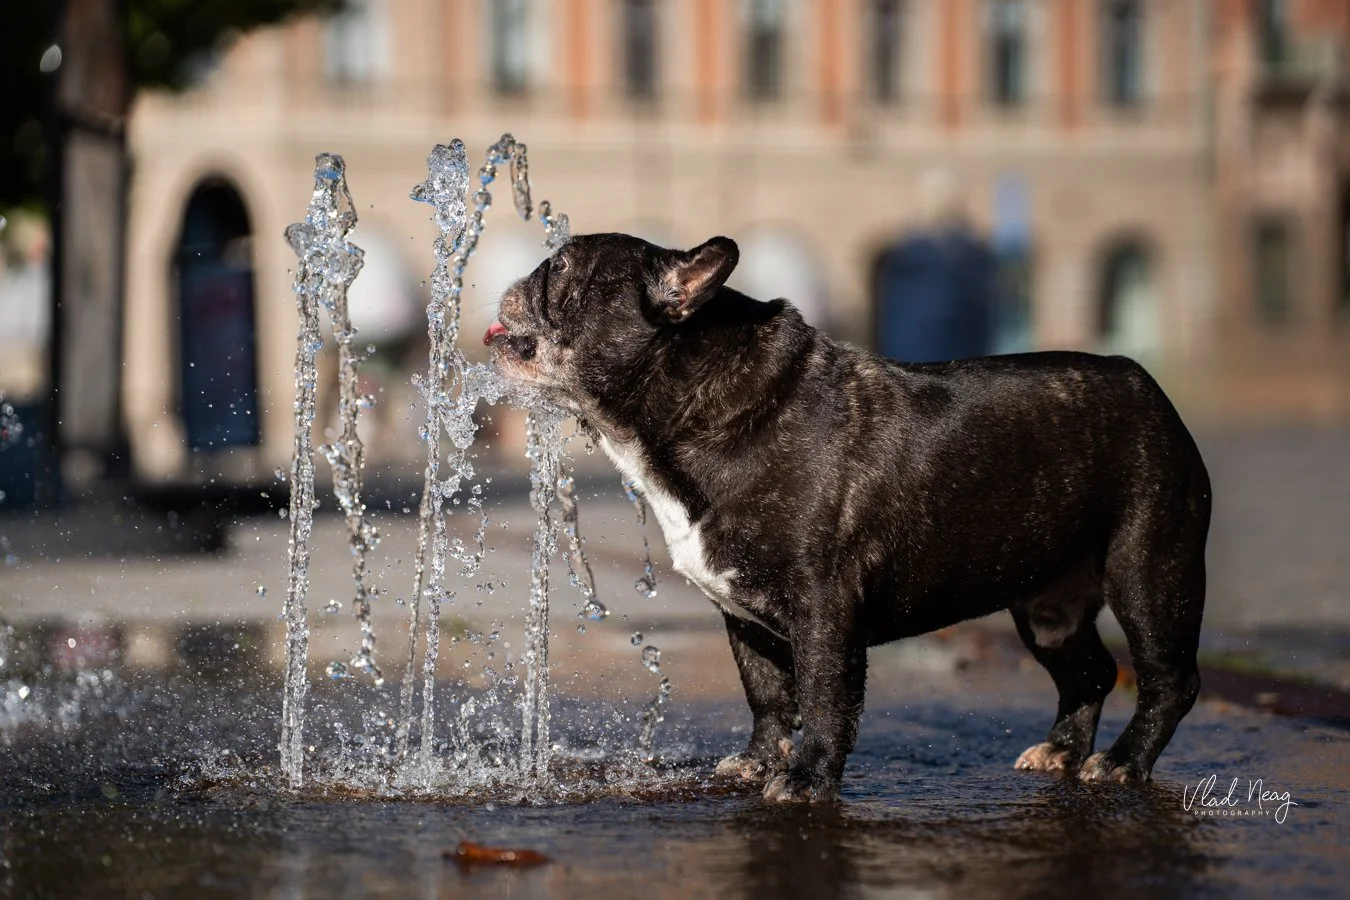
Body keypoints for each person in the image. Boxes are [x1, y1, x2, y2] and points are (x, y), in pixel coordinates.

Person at [873, 169, 997, 363]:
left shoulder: (973, 252)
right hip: (915, 351)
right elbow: (892, 314)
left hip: (964, 351)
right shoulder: (904, 253)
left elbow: (984, 310)